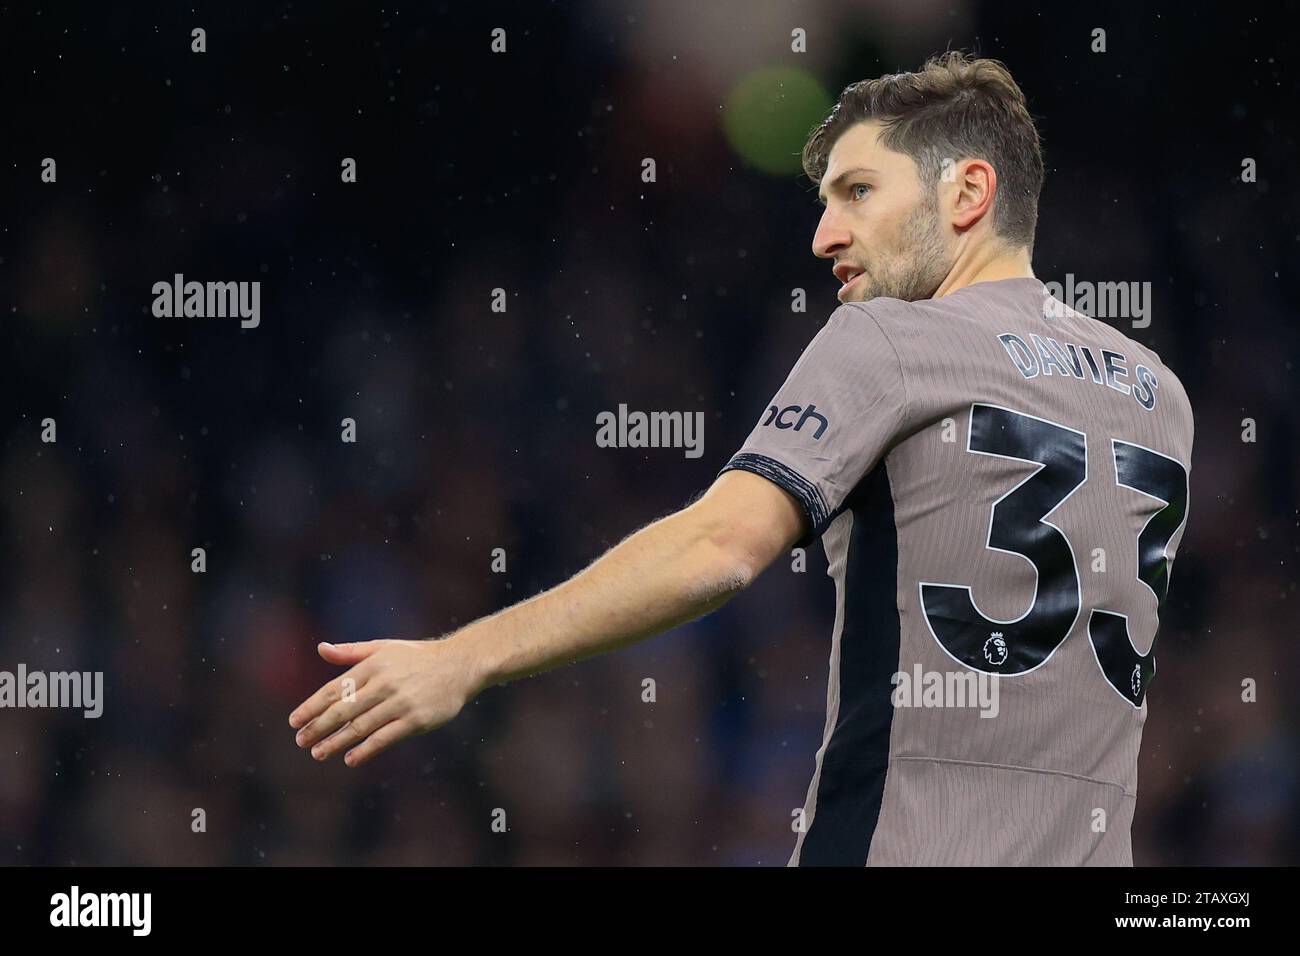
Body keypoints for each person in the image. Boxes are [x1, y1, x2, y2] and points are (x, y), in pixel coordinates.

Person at [289, 52, 1193, 866]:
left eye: (859, 193)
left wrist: (464, 659)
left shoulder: (891, 336)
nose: (824, 236)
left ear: (967, 194)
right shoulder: (1160, 397)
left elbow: (719, 549)